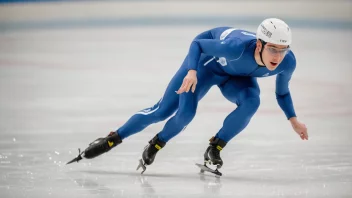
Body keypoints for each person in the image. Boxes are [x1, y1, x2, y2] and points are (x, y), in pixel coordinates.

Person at [67, 18, 309, 173]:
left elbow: (283, 92)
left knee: (252, 102)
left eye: (283, 50)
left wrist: (293, 119)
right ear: (259, 44)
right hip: (206, 65)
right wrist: (192, 71)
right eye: (273, 49)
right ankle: (113, 139)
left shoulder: (287, 62)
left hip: (237, 77)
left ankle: (213, 148)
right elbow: (198, 43)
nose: (278, 57)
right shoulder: (235, 47)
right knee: (171, 112)